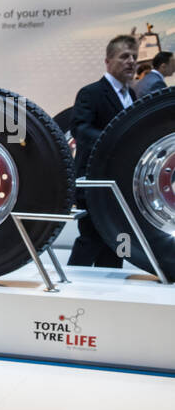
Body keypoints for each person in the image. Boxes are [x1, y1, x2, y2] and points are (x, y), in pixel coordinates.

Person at [67, 34, 138, 267]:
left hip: (120, 183)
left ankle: (112, 291)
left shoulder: (132, 95)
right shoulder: (91, 93)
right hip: (93, 181)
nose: (131, 62)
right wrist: (117, 141)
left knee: (116, 241)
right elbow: (81, 130)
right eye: (124, 56)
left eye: (134, 57)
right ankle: (74, 289)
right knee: (90, 239)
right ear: (108, 61)